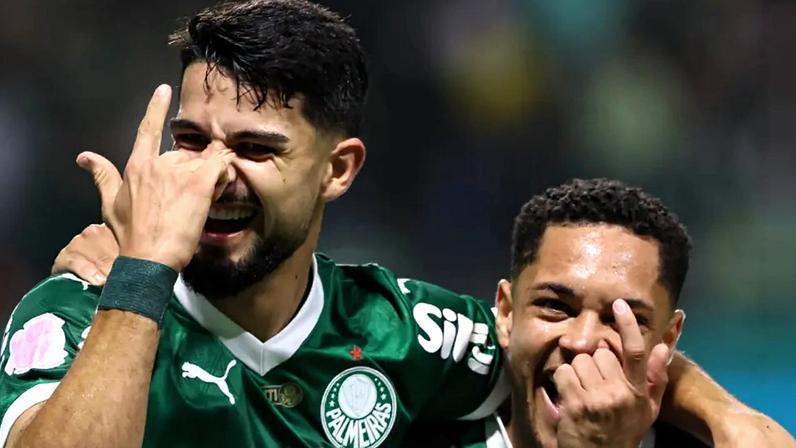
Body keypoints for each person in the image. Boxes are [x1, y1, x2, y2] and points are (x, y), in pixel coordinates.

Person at [0, 1, 789, 447]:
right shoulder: (78, 311)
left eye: (255, 149)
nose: (211, 175)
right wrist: (140, 279)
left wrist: (724, 415)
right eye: (192, 142)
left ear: (338, 170)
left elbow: (575, 345)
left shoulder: (413, 331)